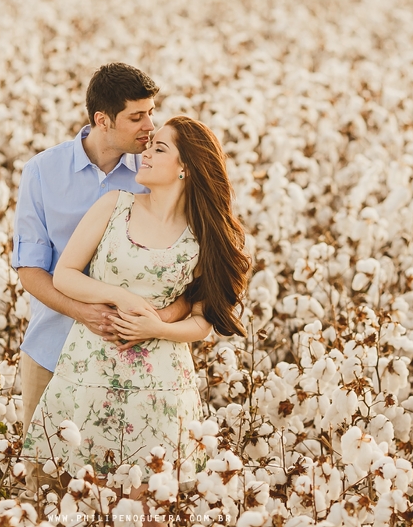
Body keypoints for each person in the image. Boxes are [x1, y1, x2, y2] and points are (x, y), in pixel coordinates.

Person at [22, 116, 250, 495]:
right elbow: (64, 275)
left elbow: (202, 321)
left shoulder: (204, 234)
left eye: (159, 148)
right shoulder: (115, 205)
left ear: (185, 168)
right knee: (73, 495)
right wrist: (123, 298)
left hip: (160, 383)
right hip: (89, 368)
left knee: (147, 503)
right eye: (149, 144)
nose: (145, 151)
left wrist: (157, 328)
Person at [11, 63, 191, 495]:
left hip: (134, 355)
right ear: (102, 120)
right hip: (52, 348)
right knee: (48, 484)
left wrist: (156, 319)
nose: (150, 126)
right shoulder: (43, 172)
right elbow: (30, 270)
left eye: (152, 112)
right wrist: (83, 312)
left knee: (126, 490)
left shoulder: (153, 169)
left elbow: (184, 268)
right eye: (137, 116)